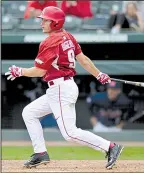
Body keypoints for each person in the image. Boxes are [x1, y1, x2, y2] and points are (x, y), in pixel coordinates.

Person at [5, 6, 123, 169]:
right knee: (29, 112)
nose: (42, 23)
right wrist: (98, 74)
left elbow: (40, 71)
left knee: (69, 134)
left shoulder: (50, 41)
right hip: (61, 87)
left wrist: (20, 71)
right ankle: (40, 153)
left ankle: (109, 147)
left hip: (61, 88)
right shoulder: (68, 36)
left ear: (55, 23)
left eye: (46, 20)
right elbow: (83, 60)